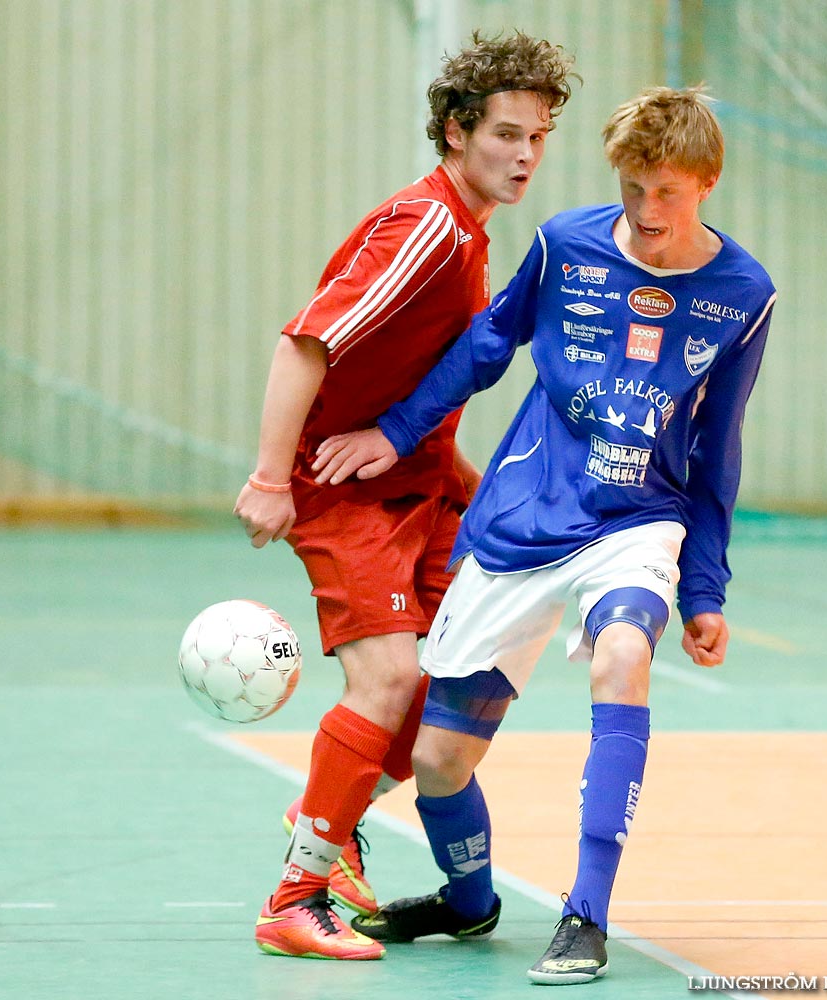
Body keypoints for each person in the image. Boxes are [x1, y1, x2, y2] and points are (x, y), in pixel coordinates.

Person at [310, 85, 777, 983]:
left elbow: (720, 448)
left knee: (621, 657)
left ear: (707, 184)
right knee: (441, 759)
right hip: (526, 515)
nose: (646, 212)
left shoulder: (742, 294)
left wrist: (706, 590)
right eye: (633, 187)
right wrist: (395, 432)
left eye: (667, 194)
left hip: (640, 520)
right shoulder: (565, 242)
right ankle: (468, 900)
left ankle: (585, 914)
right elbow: (489, 344)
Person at [233, 30, 576, 962]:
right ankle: (294, 897)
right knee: (385, 682)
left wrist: (467, 486)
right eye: (506, 133)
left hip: (419, 488)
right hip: (345, 491)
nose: (524, 156)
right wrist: (273, 479)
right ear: (457, 131)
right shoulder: (423, 227)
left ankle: (326, 823)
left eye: (538, 138)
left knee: (436, 707)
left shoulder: (471, 230)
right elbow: (304, 342)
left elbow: (415, 385)